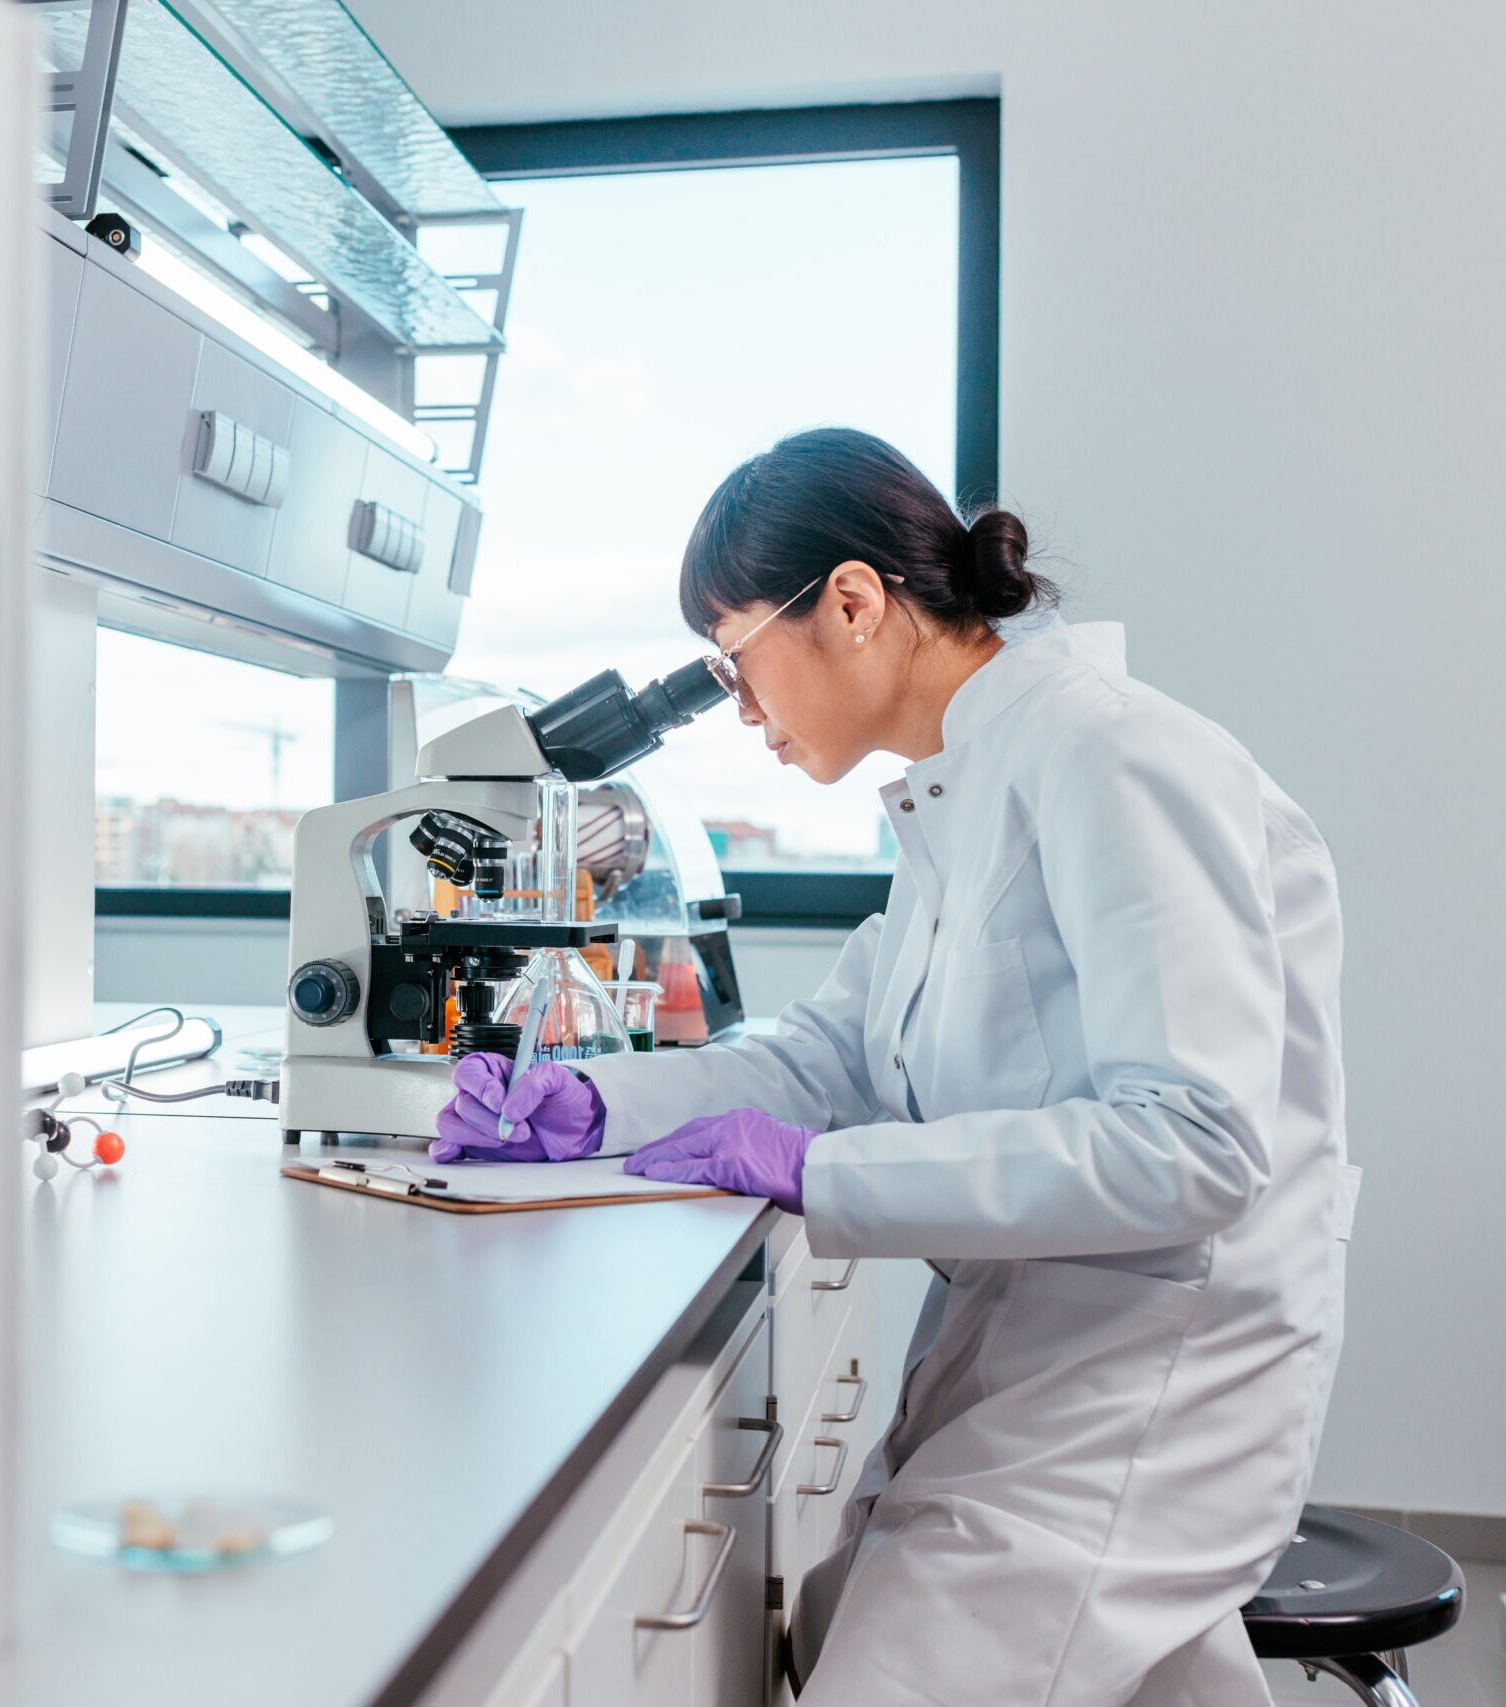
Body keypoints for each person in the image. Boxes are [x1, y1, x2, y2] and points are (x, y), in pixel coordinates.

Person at [434, 427, 1356, 1706]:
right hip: (1024, 1341)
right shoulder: (959, 796)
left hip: (1151, 1379)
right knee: (846, 1617)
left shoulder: (1118, 757)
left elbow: (1197, 1146)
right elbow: (832, 1057)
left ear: (855, 604)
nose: (740, 708)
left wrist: (827, 1174)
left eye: (735, 658)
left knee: (888, 1663)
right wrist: (601, 1105)